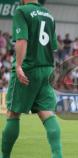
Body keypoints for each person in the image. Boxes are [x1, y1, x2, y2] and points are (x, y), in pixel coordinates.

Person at [1, 0, 63, 158]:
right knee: (47, 113)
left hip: (28, 68)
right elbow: (53, 46)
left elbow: (22, 39)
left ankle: (4, 155)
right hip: (46, 68)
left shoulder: (22, 11)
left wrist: (19, 66)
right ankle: (57, 155)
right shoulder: (48, 15)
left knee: (13, 113)